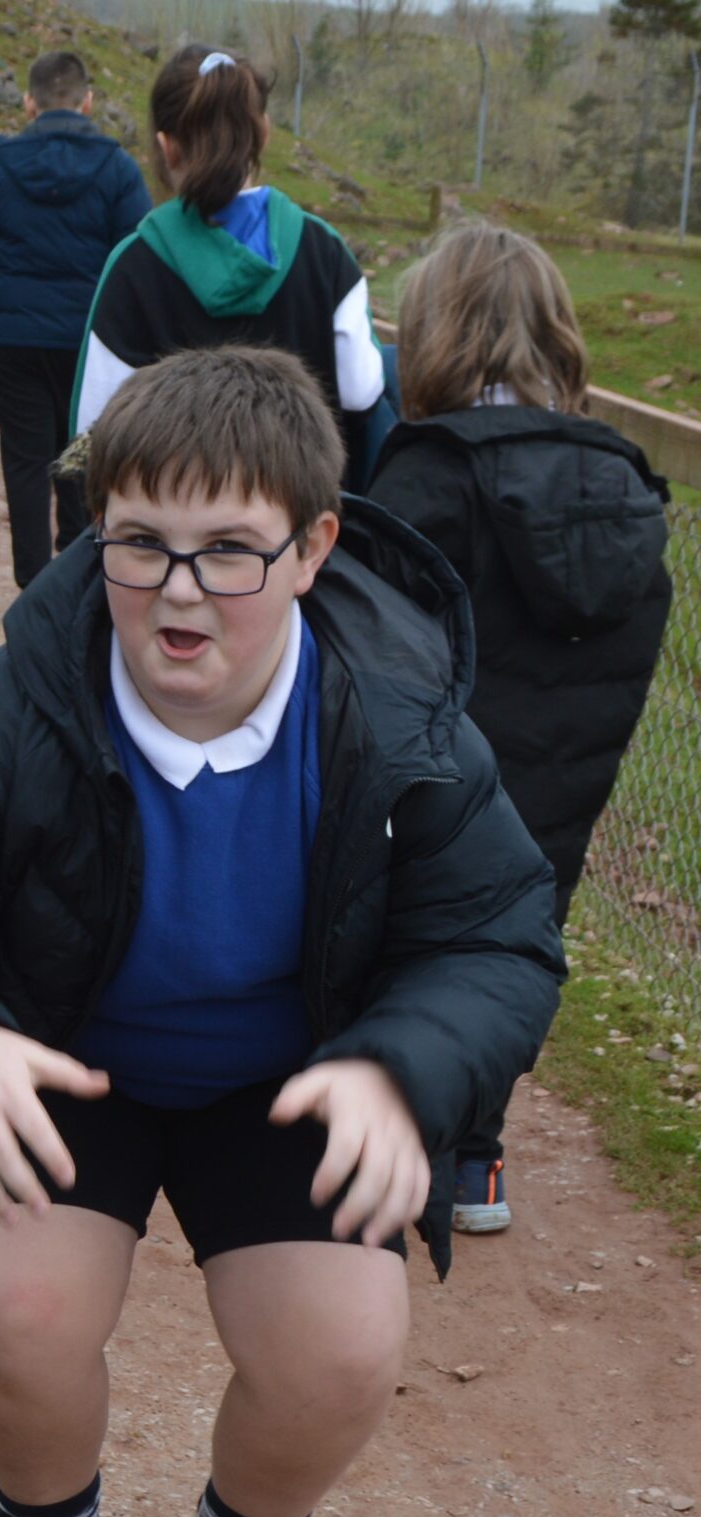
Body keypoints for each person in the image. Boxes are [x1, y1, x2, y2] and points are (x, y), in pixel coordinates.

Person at [0, 346, 561, 1517]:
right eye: (141, 543)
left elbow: (493, 937)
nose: (181, 592)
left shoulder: (399, 722)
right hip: (70, 1061)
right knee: (19, 1306)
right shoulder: (22, 703)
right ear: (99, 529)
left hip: (292, 1082)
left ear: (314, 546)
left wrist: (401, 1071)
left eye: (231, 551)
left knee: (342, 1341)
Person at [367, 223, 675, 1235]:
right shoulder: (625, 492)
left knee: (402, 914)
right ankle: (473, 1162)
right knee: (515, 922)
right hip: (561, 779)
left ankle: (391, 1133)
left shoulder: (423, 481)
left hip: (435, 770)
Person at [74, 47, 385, 482]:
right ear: (263, 134)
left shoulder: (135, 264)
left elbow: (94, 426)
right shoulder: (325, 251)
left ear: (166, 147)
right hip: (301, 529)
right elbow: (361, 390)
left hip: (179, 533)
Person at [0, 50, 151, 585]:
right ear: (88, 101)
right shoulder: (118, 169)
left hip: (14, 338)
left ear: (29, 103)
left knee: (26, 460)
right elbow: (140, 258)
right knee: (85, 456)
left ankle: (34, 582)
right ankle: (81, 575)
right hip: (91, 345)